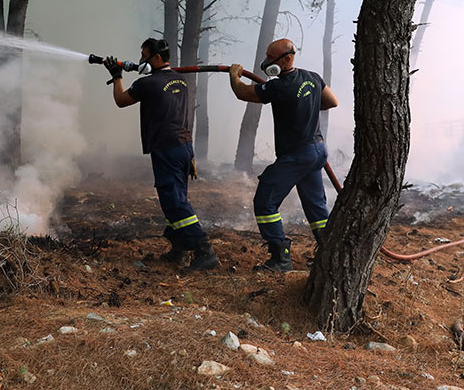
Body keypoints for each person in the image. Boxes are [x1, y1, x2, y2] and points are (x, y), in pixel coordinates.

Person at [103, 38, 219, 271]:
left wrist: (117, 76)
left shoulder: (148, 84)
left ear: (156, 58)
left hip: (166, 148)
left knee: (174, 201)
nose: (141, 60)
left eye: (144, 56)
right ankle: (179, 250)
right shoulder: (181, 80)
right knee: (177, 199)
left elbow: (120, 100)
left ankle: (204, 250)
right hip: (184, 146)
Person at [228, 38, 339, 272]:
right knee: (316, 207)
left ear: (287, 59)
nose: (266, 61)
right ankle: (330, 257)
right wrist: (304, 104)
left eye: (271, 58)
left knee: (265, 200)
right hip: (318, 151)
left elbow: (242, 93)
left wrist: (234, 75)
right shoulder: (313, 77)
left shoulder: (279, 86)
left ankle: (280, 258)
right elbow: (331, 101)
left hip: (297, 155)